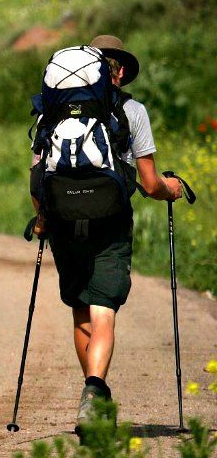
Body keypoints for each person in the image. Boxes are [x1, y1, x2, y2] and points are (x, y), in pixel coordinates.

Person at [31, 35, 182, 432]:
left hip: (64, 222)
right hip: (110, 224)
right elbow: (150, 185)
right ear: (118, 71)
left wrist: (44, 220)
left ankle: (93, 397)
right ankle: (95, 392)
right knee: (104, 313)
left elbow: (39, 176)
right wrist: (174, 187)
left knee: (81, 309)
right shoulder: (132, 112)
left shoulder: (52, 113)